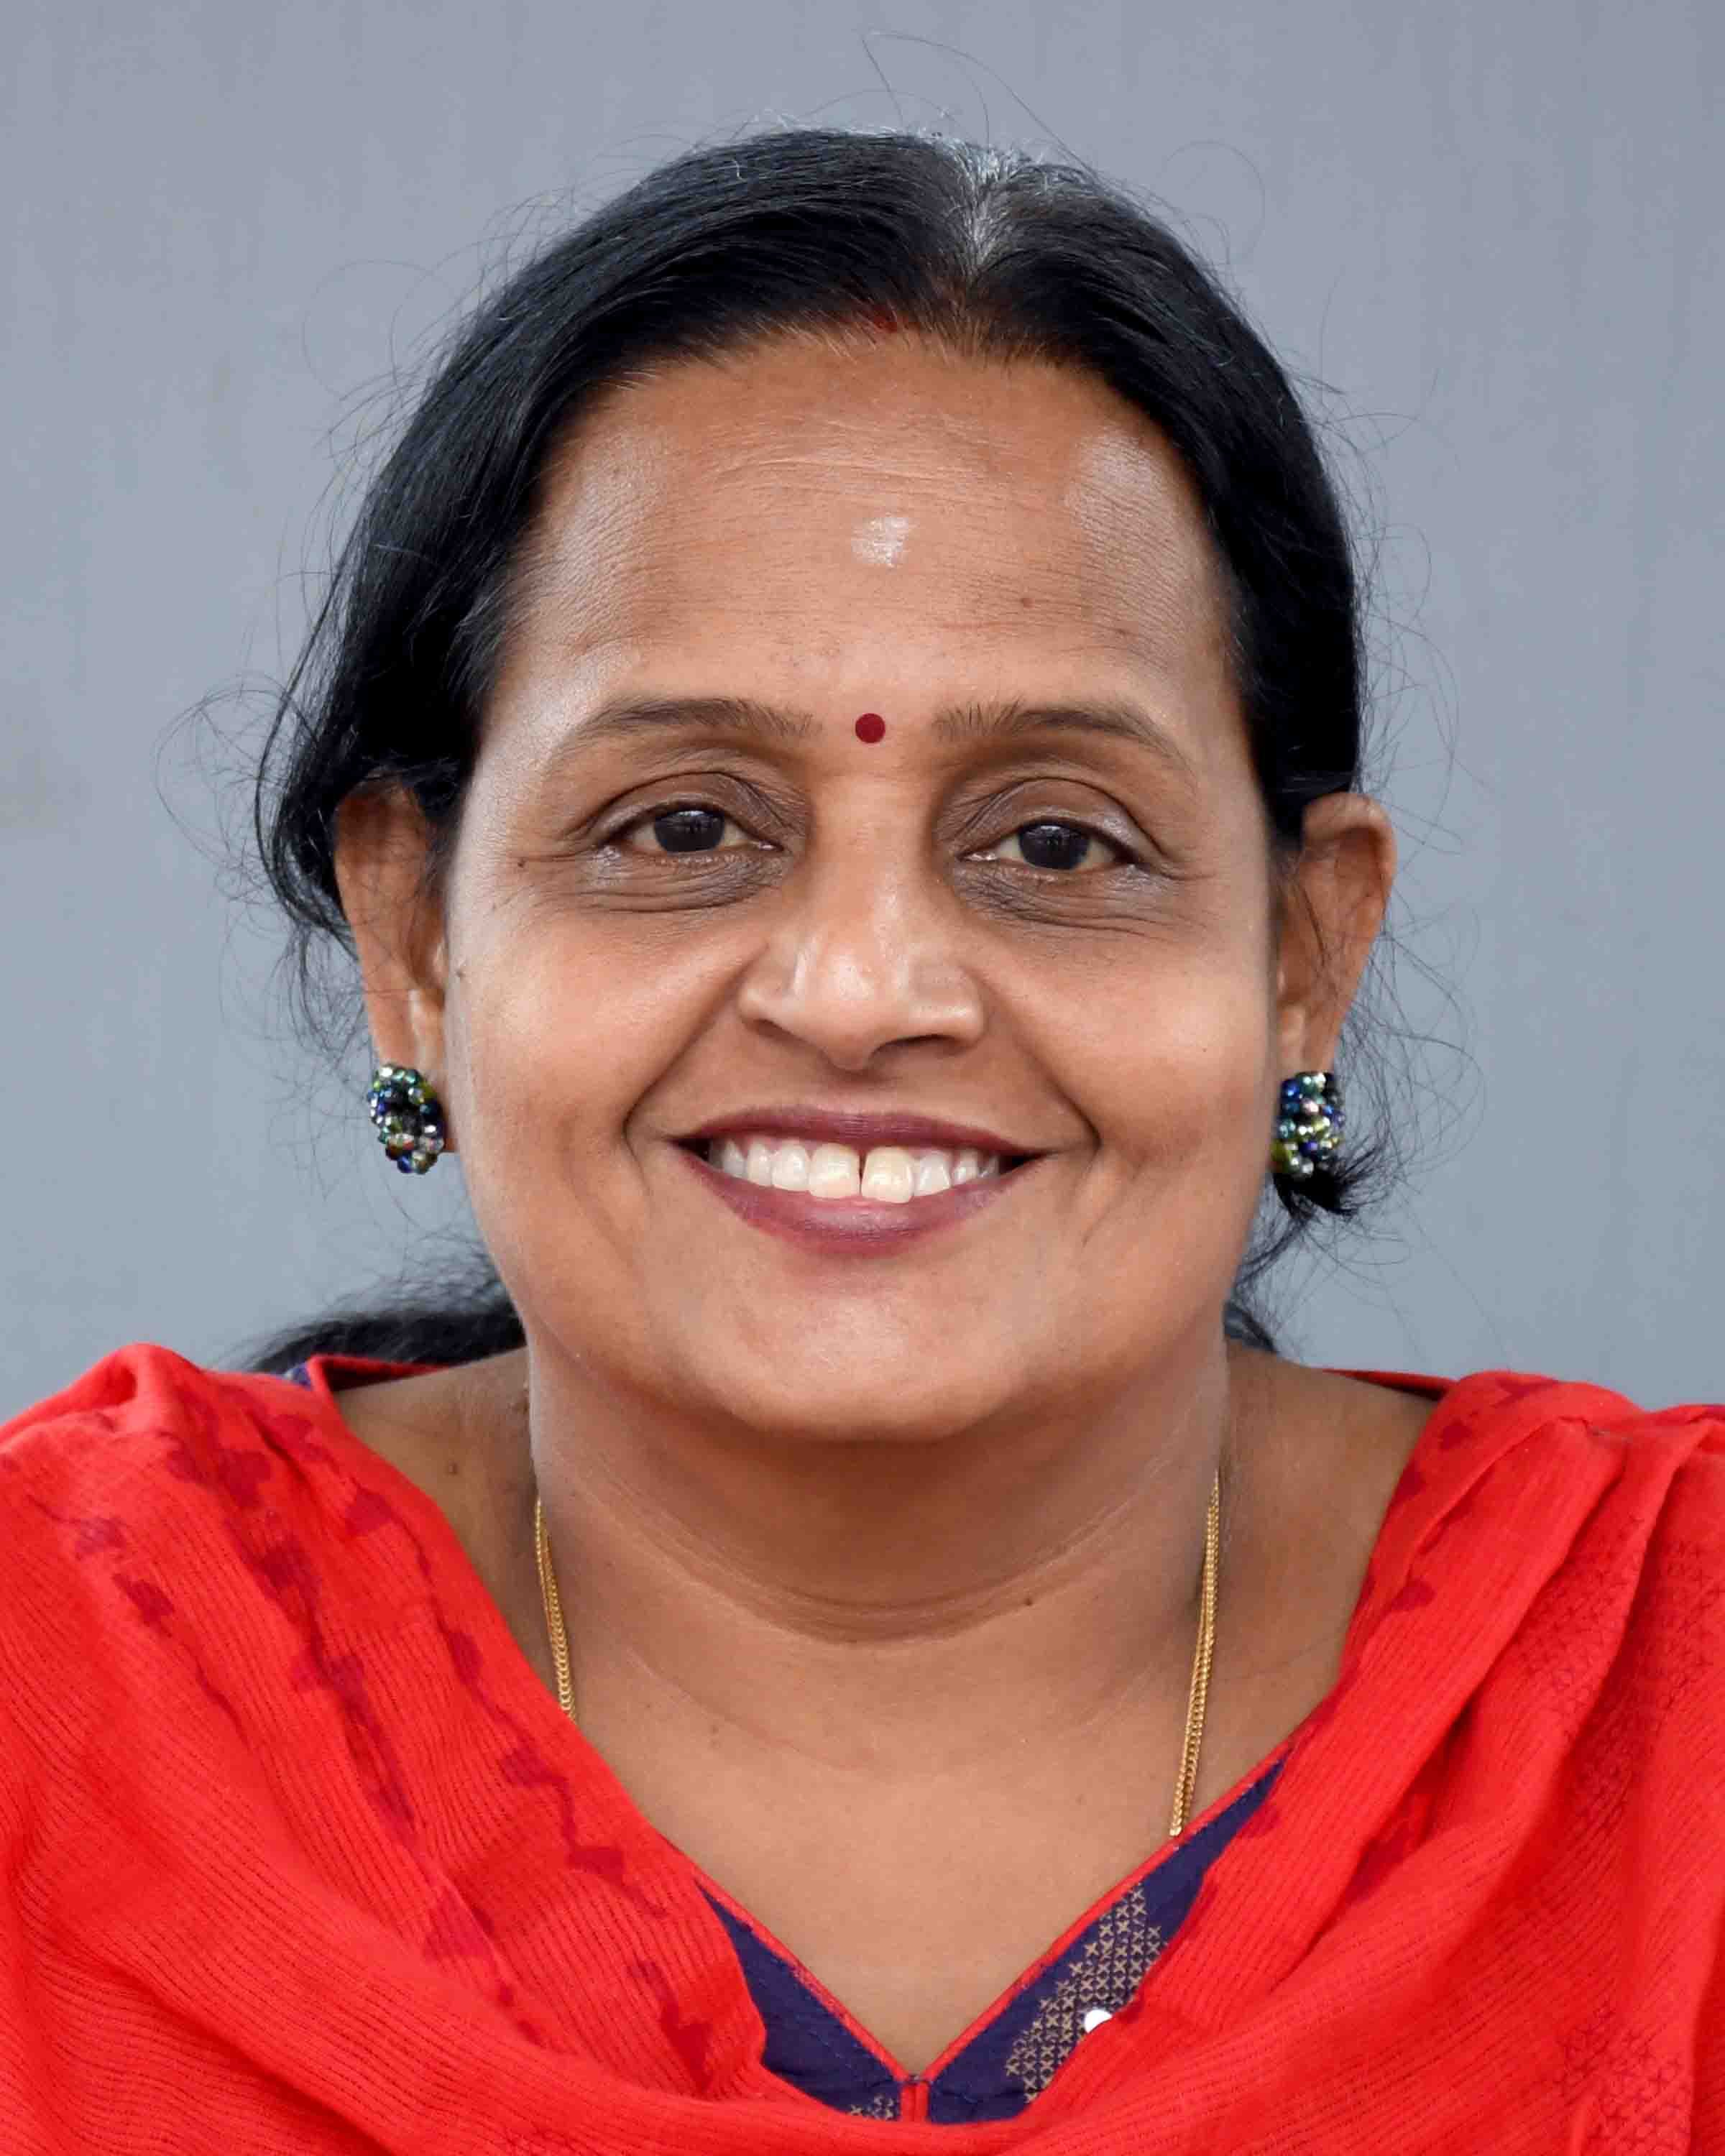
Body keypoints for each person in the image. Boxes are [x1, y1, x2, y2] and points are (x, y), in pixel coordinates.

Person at [1, 126, 1720, 2155]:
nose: (861, 987)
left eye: (1056, 843)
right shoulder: (59, 1696)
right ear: (416, 942)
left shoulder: (1669, 1700)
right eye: (684, 827)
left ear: (1305, 955)